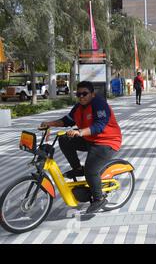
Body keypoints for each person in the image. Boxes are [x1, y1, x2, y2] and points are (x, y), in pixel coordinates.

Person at [40, 81, 122, 214]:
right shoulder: (78, 107)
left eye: (85, 94)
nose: (81, 97)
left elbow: (99, 126)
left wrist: (80, 132)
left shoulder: (99, 104)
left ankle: (98, 199)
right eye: (79, 94)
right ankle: (78, 169)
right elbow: (67, 120)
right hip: (89, 140)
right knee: (64, 139)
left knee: (91, 171)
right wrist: (49, 123)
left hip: (107, 142)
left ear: (92, 94)